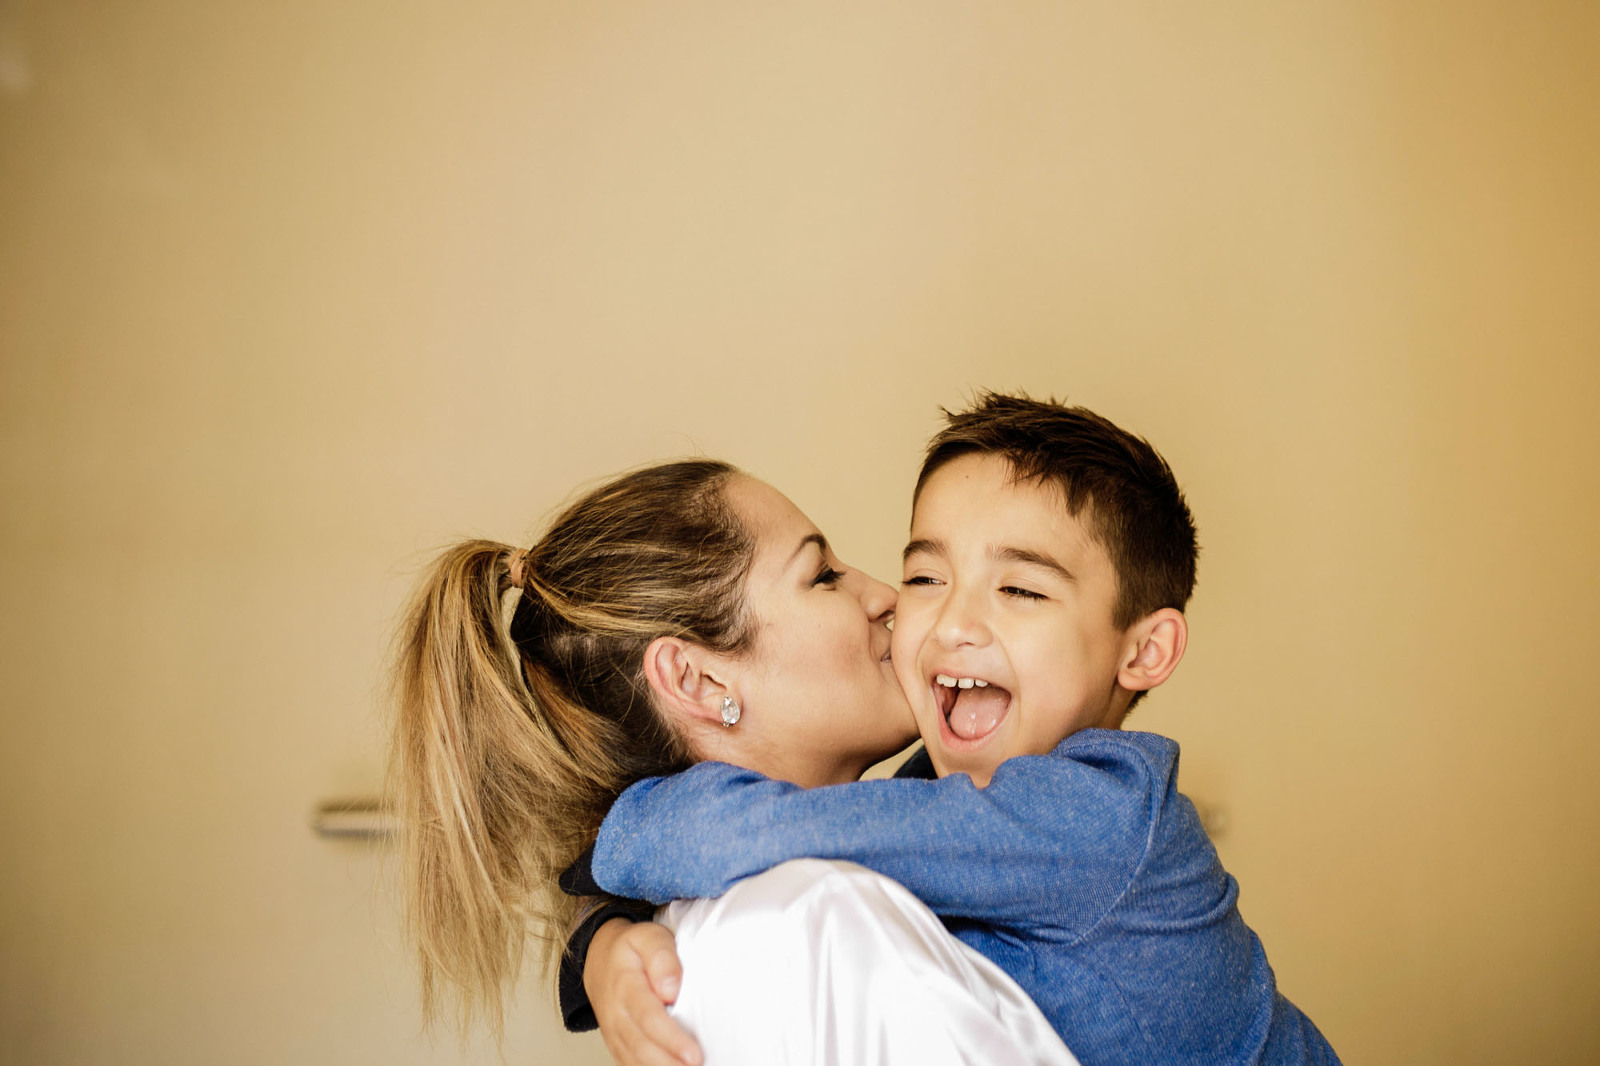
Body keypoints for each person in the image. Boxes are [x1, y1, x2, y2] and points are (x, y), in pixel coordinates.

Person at [576, 395, 1342, 1065]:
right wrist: (601, 939)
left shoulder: (1104, 818)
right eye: (925, 578)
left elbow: (762, 831)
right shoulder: (940, 802)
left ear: (1144, 651)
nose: (952, 621)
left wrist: (619, 867)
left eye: (1018, 588)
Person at [388, 458, 1079, 1065]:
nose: (887, 598)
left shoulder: (698, 918)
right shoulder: (824, 922)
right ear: (700, 682)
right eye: (823, 575)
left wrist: (597, 934)